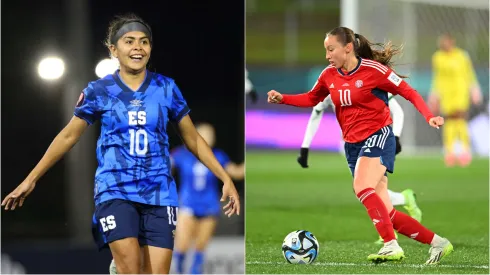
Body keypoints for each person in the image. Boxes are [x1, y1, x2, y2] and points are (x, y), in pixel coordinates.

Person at [1, 14, 240, 275]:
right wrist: (31, 179)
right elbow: (68, 136)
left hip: (159, 193)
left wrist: (224, 177)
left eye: (144, 41)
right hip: (115, 191)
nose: (138, 47)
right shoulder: (99, 91)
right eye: (129, 41)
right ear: (113, 49)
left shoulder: (166, 88)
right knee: (130, 268)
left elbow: (192, 138)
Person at [267, 26, 452, 264]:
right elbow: (312, 98)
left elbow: (409, 92)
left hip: (379, 135)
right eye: (326, 50)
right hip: (352, 145)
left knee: (362, 186)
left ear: (348, 48)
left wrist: (429, 116)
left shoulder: (374, 71)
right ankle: (439, 243)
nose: (327, 55)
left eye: (331, 49)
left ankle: (390, 244)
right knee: (387, 213)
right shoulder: (328, 75)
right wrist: (284, 98)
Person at [297, 94, 423, 245]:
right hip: (351, 143)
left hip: (376, 139)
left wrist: (395, 137)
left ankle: (388, 234)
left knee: (369, 188)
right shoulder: (327, 87)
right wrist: (305, 147)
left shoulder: (365, 82)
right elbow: (316, 114)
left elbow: (398, 111)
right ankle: (404, 200)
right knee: (364, 190)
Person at [172, 123, 244, 274]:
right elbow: (165, 165)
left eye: (211, 134)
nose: (209, 137)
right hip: (187, 204)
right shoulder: (182, 154)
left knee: (200, 246)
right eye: (205, 134)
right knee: (182, 245)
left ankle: (195, 272)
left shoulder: (218, 156)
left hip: (210, 205)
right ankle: (178, 269)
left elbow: (236, 173)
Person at [428, 33, 482, 167]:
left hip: (460, 91)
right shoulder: (438, 57)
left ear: (452, 42)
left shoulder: (462, 56)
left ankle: (465, 151)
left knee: (461, 119)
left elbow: (469, 73)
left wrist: (474, 89)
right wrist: (434, 95)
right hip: (446, 94)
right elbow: (437, 77)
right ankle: (450, 152)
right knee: (449, 121)